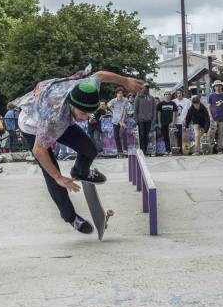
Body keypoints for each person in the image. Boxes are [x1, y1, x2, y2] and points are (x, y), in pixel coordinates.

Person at [13, 67, 143, 234]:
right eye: (82, 113)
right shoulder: (54, 118)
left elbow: (100, 75)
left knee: (90, 150)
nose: (85, 118)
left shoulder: (86, 87)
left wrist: (125, 80)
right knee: (53, 179)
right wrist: (58, 176)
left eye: (90, 113)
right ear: (71, 104)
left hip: (61, 114)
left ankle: (80, 171)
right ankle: (71, 217)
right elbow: (39, 150)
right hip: (34, 126)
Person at [133, 83, 155, 156]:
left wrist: (153, 120)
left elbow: (153, 110)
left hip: (148, 120)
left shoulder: (151, 98)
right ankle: (142, 152)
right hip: (141, 120)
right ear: (142, 88)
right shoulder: (138, 97)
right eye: (145, 88)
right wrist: (136, 119)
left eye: (148, 88)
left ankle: (145, 150)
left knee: (146, 136)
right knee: (141, 136)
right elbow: (135, 109)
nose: (146, 89)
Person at [107, 88, 129, 157]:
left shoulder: (125, 100)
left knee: (123, 132)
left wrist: (122, 121)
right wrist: (112, 110)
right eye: (118, 93)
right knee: (116, 136)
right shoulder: (113, 101)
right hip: (115, 120)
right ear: (116, 94)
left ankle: (125, 149)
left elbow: (125, 112)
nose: (120, 95)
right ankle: (119, 151)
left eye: (121, 93)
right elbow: (108, 105)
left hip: (123, 119)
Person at [207, 80, 223, 153]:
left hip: (222, 118)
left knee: (221, 134)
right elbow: (209, 106)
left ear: (221, 86)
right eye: (216, 86)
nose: (218, 87)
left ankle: (219, 148)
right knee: (211, 134)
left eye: (219, 85)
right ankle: (211, 148)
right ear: (214, 87)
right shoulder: (211, 95)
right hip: (214, 118)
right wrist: (210, 116)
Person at [156, 91, 177, 156]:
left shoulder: (173, 103)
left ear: (170, 96)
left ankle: (172, 150)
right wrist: (159, 122)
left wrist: (173, 121)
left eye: (168, 94)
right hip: (163, 123)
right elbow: (159, 114)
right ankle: (167, 150)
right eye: (166, 94)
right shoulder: (161, 104)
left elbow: (174, 113)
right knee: (165, 137)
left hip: (170, 123)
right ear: (164, 96)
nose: (167, 95)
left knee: (171, 137)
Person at [172, 89, 192, 155]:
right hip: (176, 122)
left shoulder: (187, 101)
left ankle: (186, 150)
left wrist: (187, 119)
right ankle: (179, 151)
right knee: (177, 137)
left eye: (180, 93)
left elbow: (190, 111)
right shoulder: (173, 101)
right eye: (177, 93)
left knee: (185, 137)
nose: (179, 94)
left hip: (184, 122)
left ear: (182, 93)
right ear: (176, 94)